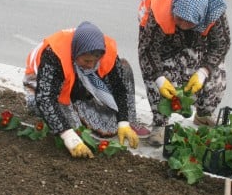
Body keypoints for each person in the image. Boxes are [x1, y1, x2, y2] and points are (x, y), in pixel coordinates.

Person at [23, 21, 149, 158]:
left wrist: (123, 122)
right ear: (76, 53)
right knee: (77, 131)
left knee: (123, 69)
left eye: (96, 61)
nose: (91, 65)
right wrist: (68, 135)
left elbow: (119, 87)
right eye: (87, 61)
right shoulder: (54, 55)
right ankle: (78, 109)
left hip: (79, 80)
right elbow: (45, 98)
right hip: (41, 85)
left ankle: (127, 122)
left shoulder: (104, 50)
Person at [137, 0, 231, 147]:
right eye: (179, 19)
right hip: (164, 46)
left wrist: (203, 72)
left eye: (190, 22)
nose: (183, 25)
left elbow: (221, 44)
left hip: (198, 44)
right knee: (157, 74)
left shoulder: (214, 12)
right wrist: (160, 79)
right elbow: (148, 50)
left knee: (216, 77)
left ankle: (203, 115)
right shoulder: (159, 12)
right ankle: (160, 124)